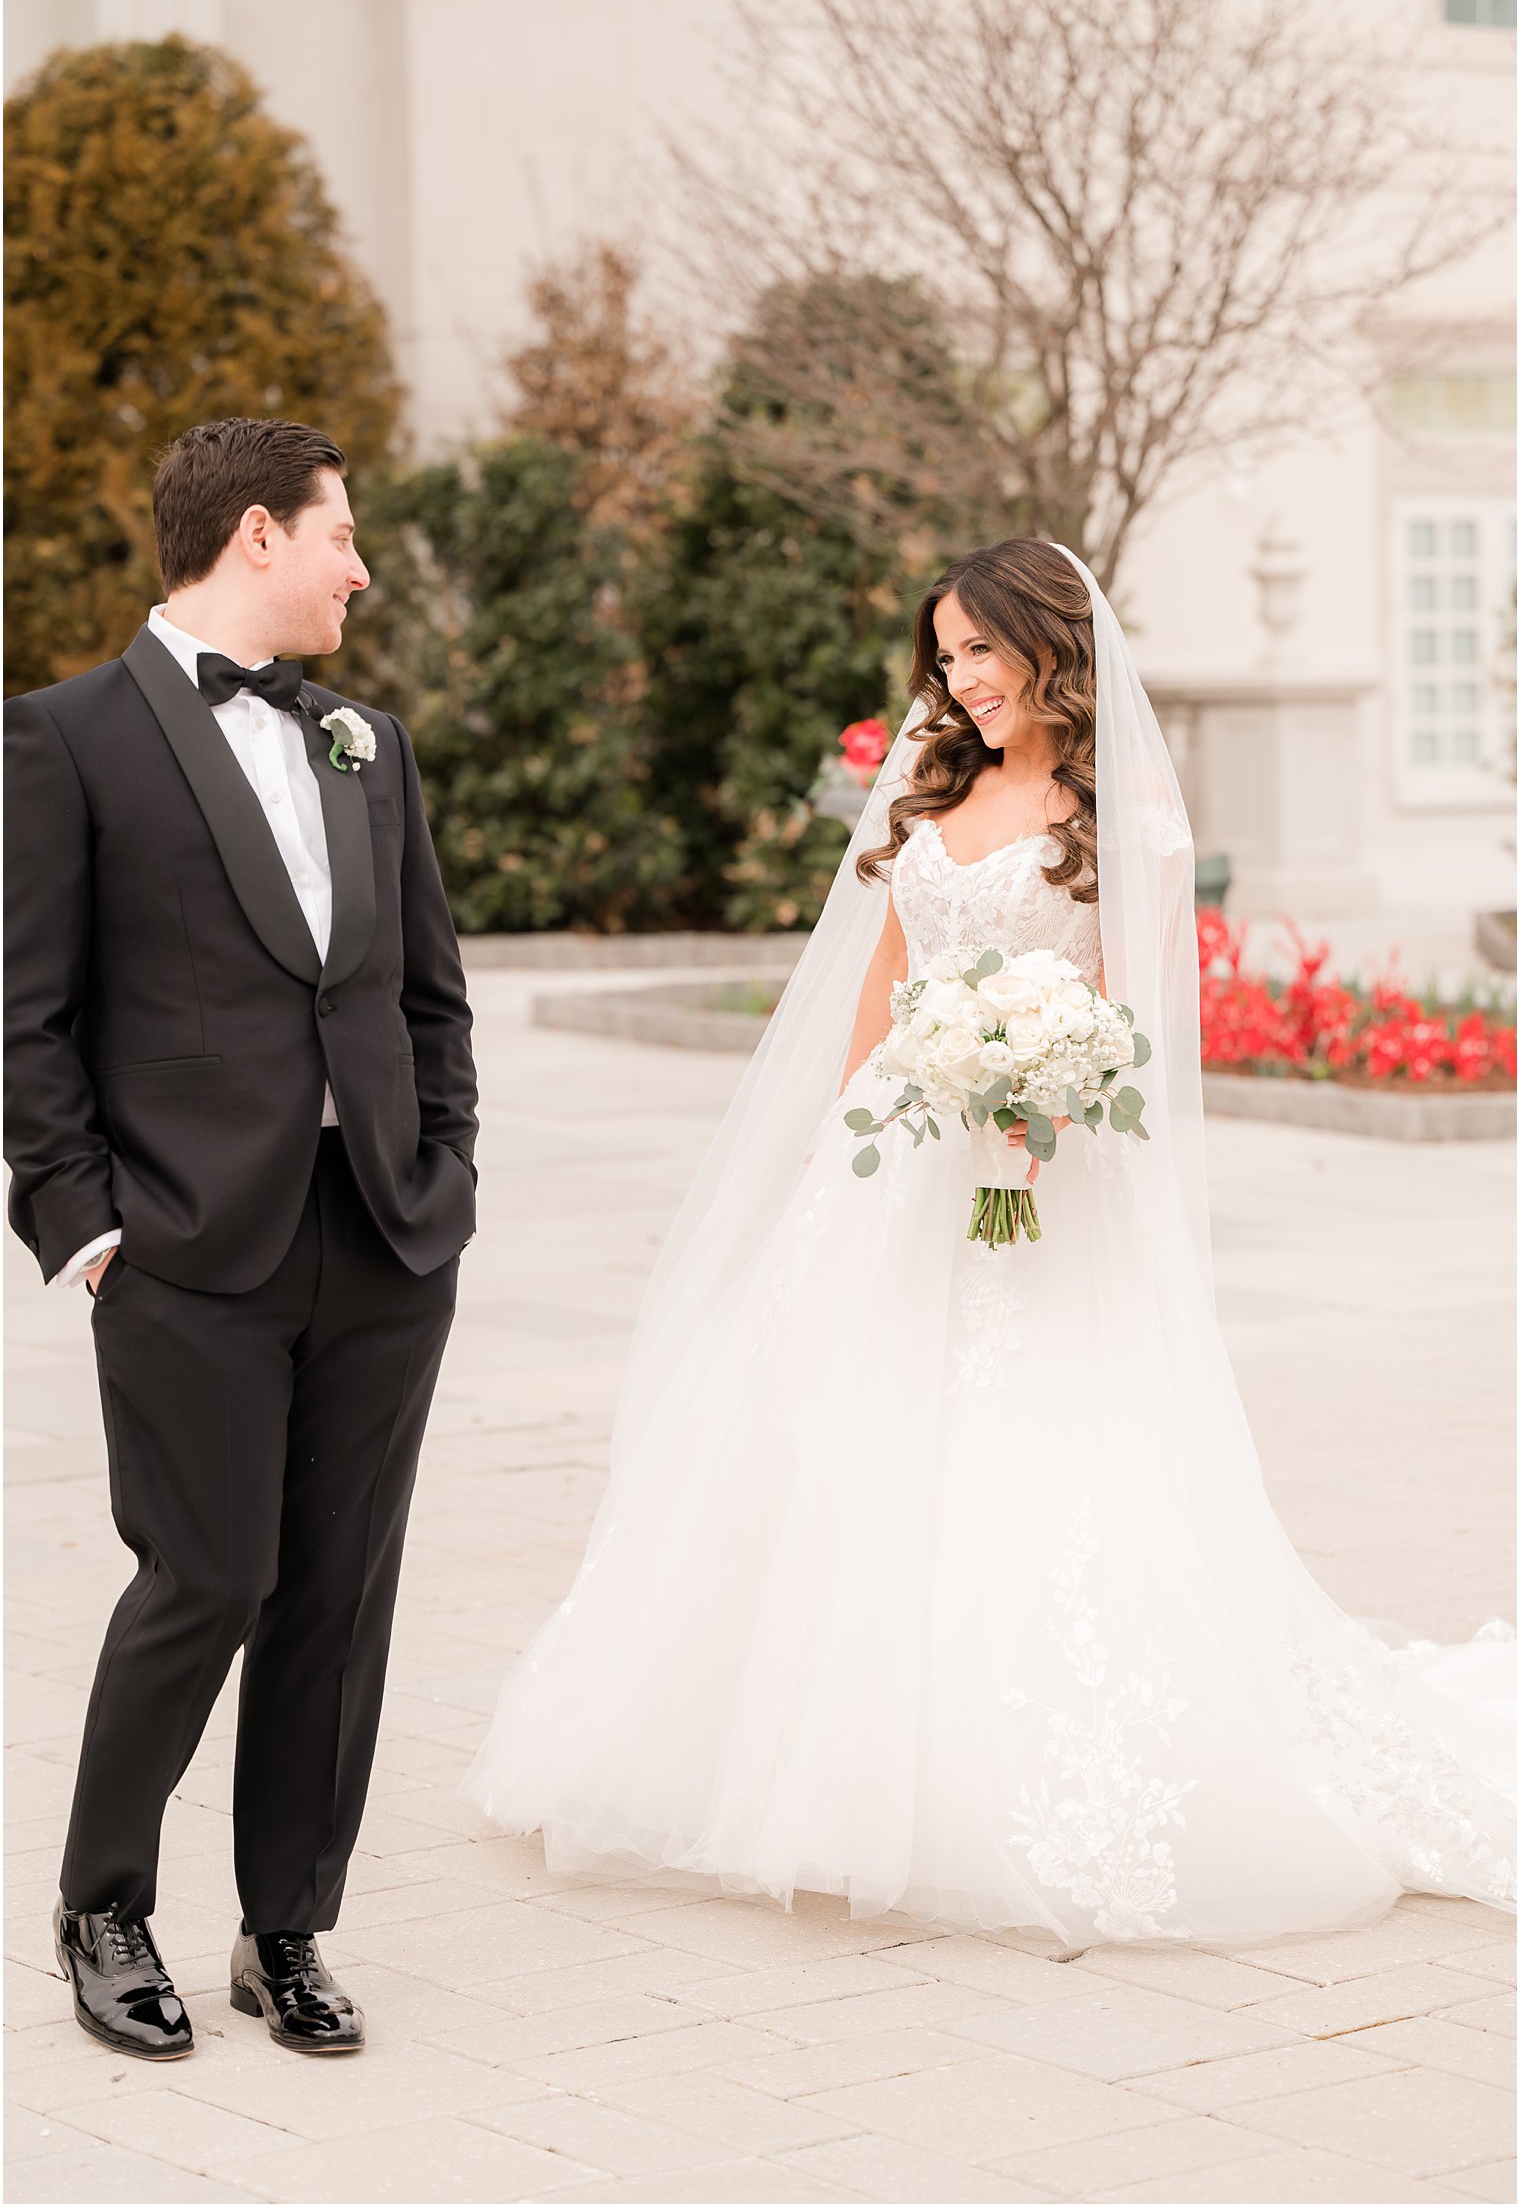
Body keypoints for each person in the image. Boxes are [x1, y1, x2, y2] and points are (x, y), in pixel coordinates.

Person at [464, 536, 1514, 1947]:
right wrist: (846, 1140)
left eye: (981, 653)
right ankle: (797, 1750)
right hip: (899, 1152)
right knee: (830, 1435)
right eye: (944, 657)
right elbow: (888, 973)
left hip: (1044, 1157)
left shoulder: (1120, 807)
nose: (960, 684)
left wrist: (1045, 1102)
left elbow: (1142, 1017)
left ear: (1048, 645)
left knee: (1030, 1451)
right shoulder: (929, 780)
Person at [4, 418, 478, 2058]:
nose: (360, 566)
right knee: (205, 1577)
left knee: (336, 1596)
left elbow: (428, 994)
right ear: (258, 536)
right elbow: (28, 1017)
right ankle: (100, 1903)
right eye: (342, 535)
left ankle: (287, 1926)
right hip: (187, 1250)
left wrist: (448, 1181)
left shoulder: (369, 742)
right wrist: (81, 1226)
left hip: (383, 1242)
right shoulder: (63, 740)